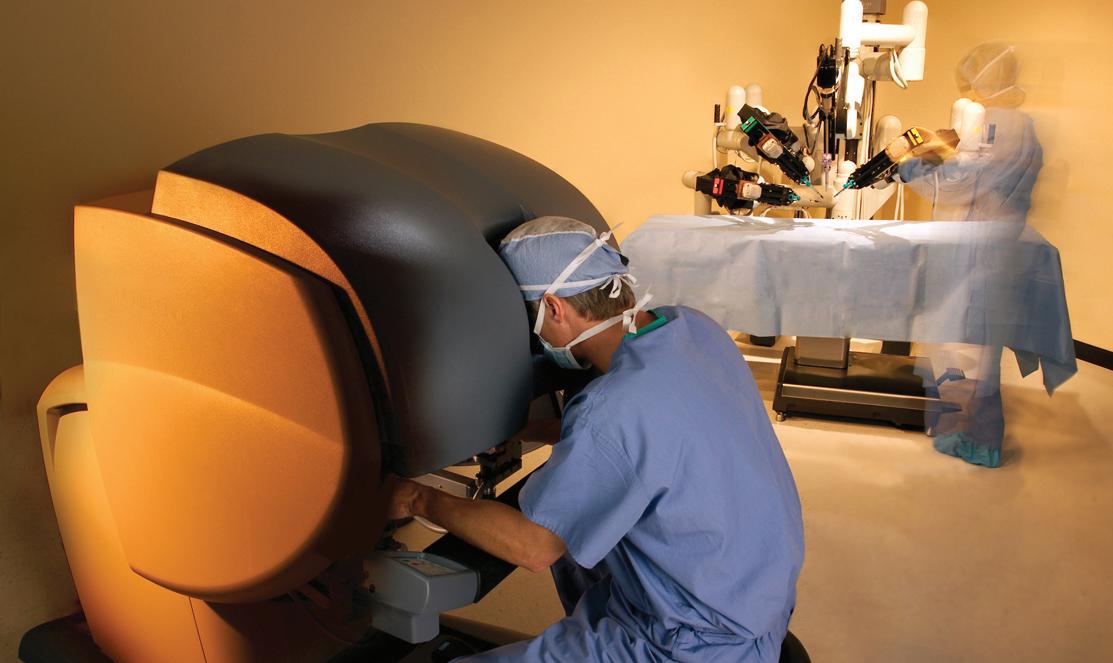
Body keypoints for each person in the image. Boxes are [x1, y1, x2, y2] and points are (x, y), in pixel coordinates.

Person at [387, 216, 804, 661]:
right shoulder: (694, 328)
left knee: (562, 548)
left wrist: (416, 499)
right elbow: (649, 434)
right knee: (584, 552)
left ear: (555, 308)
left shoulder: (612, 409)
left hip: (694, 645)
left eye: (529, 317)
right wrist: (526, 429)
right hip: (757, 601)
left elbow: (534, 547)